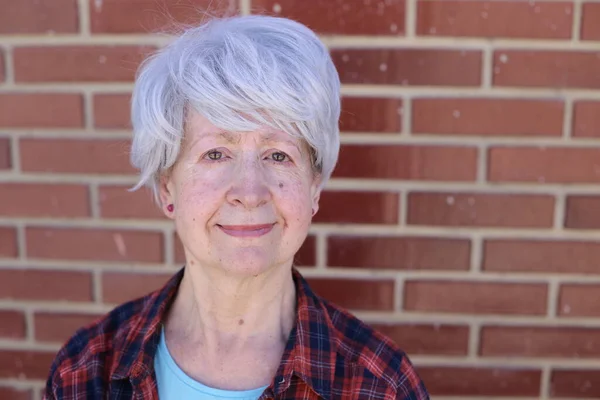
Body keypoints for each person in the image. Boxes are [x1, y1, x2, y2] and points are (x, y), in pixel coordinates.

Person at [43, 14, 430, 400]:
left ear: (314, 187)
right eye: (215, 153)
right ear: (167, 188)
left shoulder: (381, 384)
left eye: (278, 155)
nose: (249, 190)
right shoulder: (86, 371)